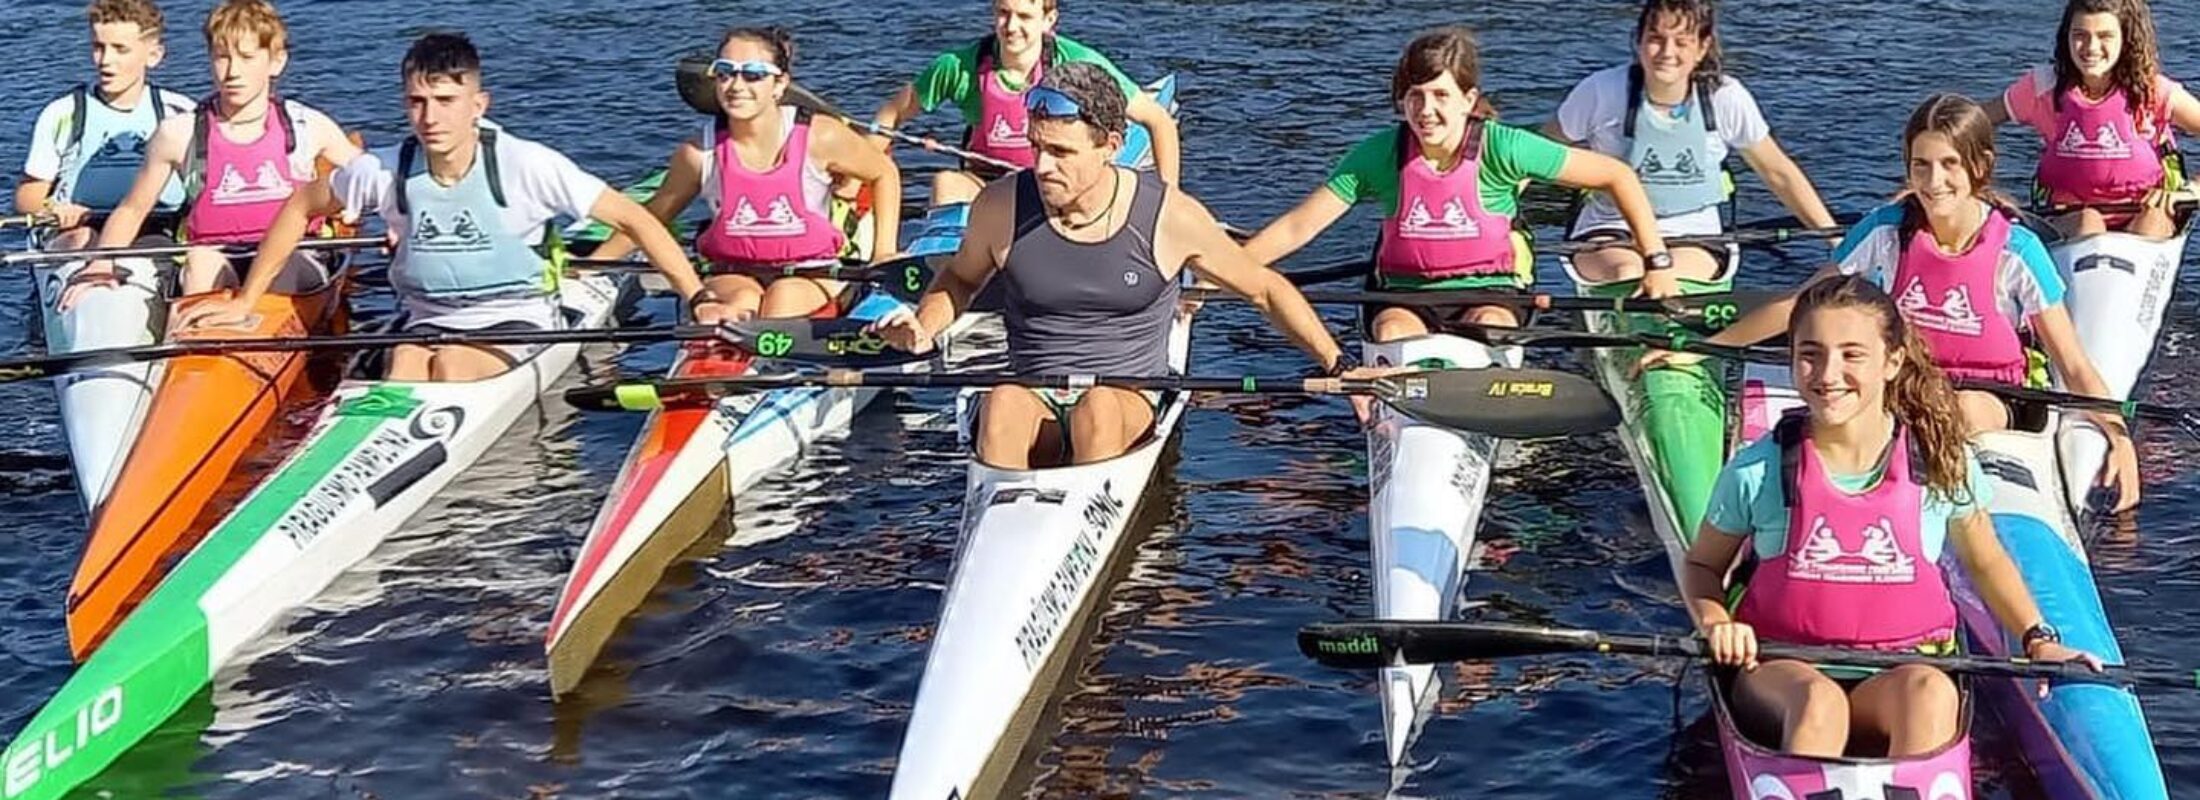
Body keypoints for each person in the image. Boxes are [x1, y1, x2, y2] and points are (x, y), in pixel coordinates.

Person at [1680, 274, 2101, 760]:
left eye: (1852, 354)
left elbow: (1985, 560)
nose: (1827, 374)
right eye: (1809, 354)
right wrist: (1715, 623)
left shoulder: (1939, 462)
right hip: (1784, 672)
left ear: (1892, 362)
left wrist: (2038, 640)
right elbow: (1702, 568)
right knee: (1820, 707)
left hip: (1904, 672)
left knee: (1931, 696)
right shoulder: (1759, 468)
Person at [1663, 94, 2141, 511]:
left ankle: (1910, 495)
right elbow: (1801, 307)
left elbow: (2074, 365)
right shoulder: (1885, 230)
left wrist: (2118, 439)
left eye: (1949, 164)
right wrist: (1699, 349)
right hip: (1906, 384)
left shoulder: (2019, 252)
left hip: (1990, 396)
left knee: (1963, 412)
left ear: (1980, 166)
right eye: (1921, 165)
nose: (1934, 181)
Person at [872, 62, 1356, 468]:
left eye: (1061, 153)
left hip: (1126, 396)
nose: (1041, 167)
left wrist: (1339, 365)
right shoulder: (1001, 206)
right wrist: (923, 327)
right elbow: (959, 278)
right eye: (1035, 147)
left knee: (1097, 410)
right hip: (1033, 392)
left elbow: (1265, 291)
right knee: (999, 402)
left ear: (1111, 145)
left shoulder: (1170, 215)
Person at [176, 32, 723, 381]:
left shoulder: (524, 163)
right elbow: (301, 204)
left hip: (516, 317)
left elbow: (636, 218)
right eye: (417, 101)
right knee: (409, 365)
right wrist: (248, 299)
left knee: (453, 365)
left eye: (445, 101)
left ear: (477, 104)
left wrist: (697, 297)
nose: (430, 117)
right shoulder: (384, 168)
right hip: (426, 321)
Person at [1241, 23, 1672, 423]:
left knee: (1490, 327)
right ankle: (1407, 422)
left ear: (1468, 100)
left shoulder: (1506, 147)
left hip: (1491, 292)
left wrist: (1657, 262)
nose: (1425, 110)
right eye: (1414, 96)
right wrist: (1223, 273)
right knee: (1393, 330)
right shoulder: (1379, 154)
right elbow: (1298, 227)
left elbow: (1617, 176)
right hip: (1403, 296)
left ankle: (1467, 411)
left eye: (1440, 96)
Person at [59, 0, 362, 309]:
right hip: (215, 254)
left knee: (284, 267)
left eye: (246, 57)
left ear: (276, 61)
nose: (232, 72)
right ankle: (198, 340)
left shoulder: (307, 125)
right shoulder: (178, 133)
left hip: (292, 257)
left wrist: (392, 225)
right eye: (221, 57)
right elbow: (132, 210)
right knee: (200, 262)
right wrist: (101, 264)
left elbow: (374, 180)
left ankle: (260, 329)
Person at [591, 26, 901, 321]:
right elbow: (650, 219)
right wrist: (591, 268)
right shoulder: (698, 153)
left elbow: (883, 173)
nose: (736, 86)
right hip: (731, 273)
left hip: (811, 272)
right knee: (739, 304)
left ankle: (770, 359)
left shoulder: (821, 136)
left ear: (779, 85)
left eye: (753, 75)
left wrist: (884, 251)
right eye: (725, 73)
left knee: (782, 302)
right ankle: (720, 359)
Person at [1543, 0, 1836, 289]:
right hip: (1610, 229)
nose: (1667, 53)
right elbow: (1536, 154)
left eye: (1681, 42)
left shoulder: (1726, 97)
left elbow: (1778, 173)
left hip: (1692, 233)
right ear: (1639, 41)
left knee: (1676, 276)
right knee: (1627, 272)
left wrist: (1834, 240)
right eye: (1656, 39)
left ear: (1702, 47)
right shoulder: (1600, 91)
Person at [863, 0, 1180, 207]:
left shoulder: (1078, 62)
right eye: (1003, 13)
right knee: (945, 183)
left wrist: (1168, 203)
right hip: (986, 185)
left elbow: (1158, 121)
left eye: (1025, 16)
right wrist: (859, 175)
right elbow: (891, 115)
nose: (1011, 26)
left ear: (1048, 20)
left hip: (1057, 184)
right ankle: (952, 269)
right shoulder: (957, 66)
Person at [1985, 0, 2200, 239]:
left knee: (2151, 221)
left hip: (2145, 216)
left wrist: (2192, 191)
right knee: (2090, 222)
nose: (2091, 48)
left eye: (2105, 36)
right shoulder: (2043, 88)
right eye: (2080, 35)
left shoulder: (2154, 92)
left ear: (2126, 38)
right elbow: (1969, 123)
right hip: (2070, 220)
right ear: (2066, 37)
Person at [15, 0, 194, 250]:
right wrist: (54, 208)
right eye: (99, 47)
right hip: (77, 231)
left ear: (154, 56)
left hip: (159, 229)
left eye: (120, 49)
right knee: (85, 240)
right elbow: (27, 196)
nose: (105, 61)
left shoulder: (180, 111)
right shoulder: (63, 113)